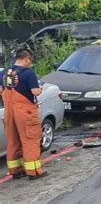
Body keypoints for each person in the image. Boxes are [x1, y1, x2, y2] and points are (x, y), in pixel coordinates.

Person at [0, 48, 47, 180]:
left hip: (9, 111)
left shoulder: (5, 72)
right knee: (30, 139)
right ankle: (34, 171)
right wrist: (40, 88)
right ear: (26, 59)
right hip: (25, 112)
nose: (30, 64)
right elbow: (35, 92)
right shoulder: (28, 73)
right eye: (30, 61)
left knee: (13, 140)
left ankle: (15, 170)